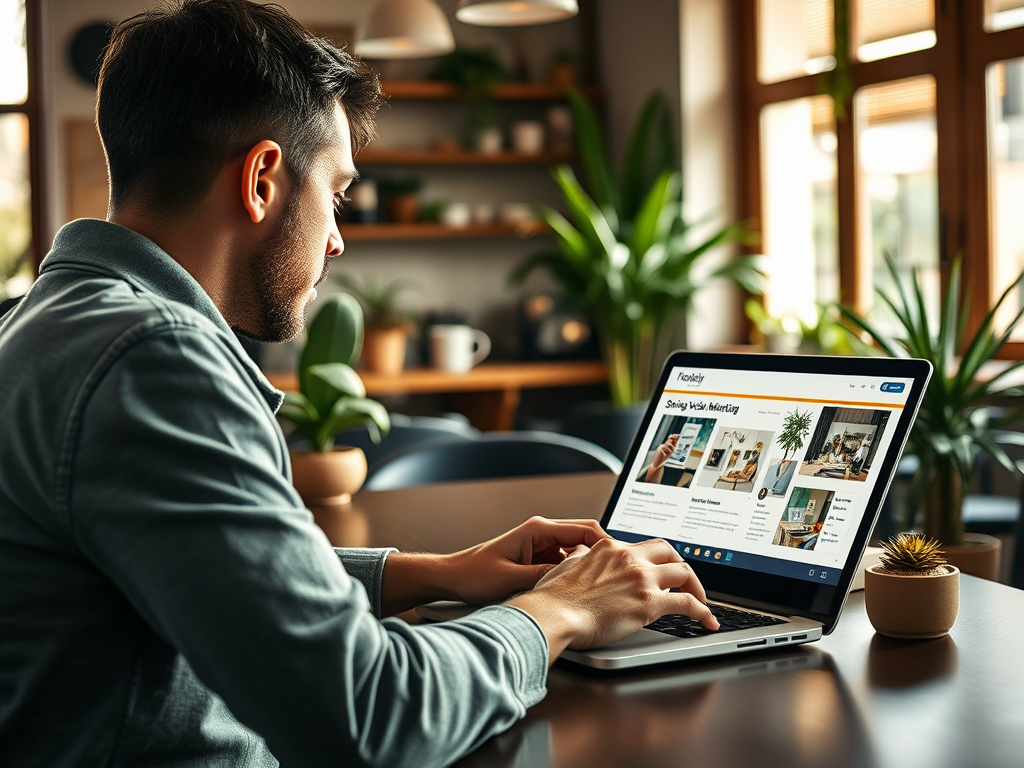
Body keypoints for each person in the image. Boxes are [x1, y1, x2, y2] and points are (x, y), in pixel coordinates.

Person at [0, 2, 718, 766]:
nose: (338, 237)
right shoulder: (152, 360)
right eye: (336, 193)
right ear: (262, 180)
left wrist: (435, 573)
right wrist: (561, 611)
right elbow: (371, 718)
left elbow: (195, 571)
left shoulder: (52, 324)